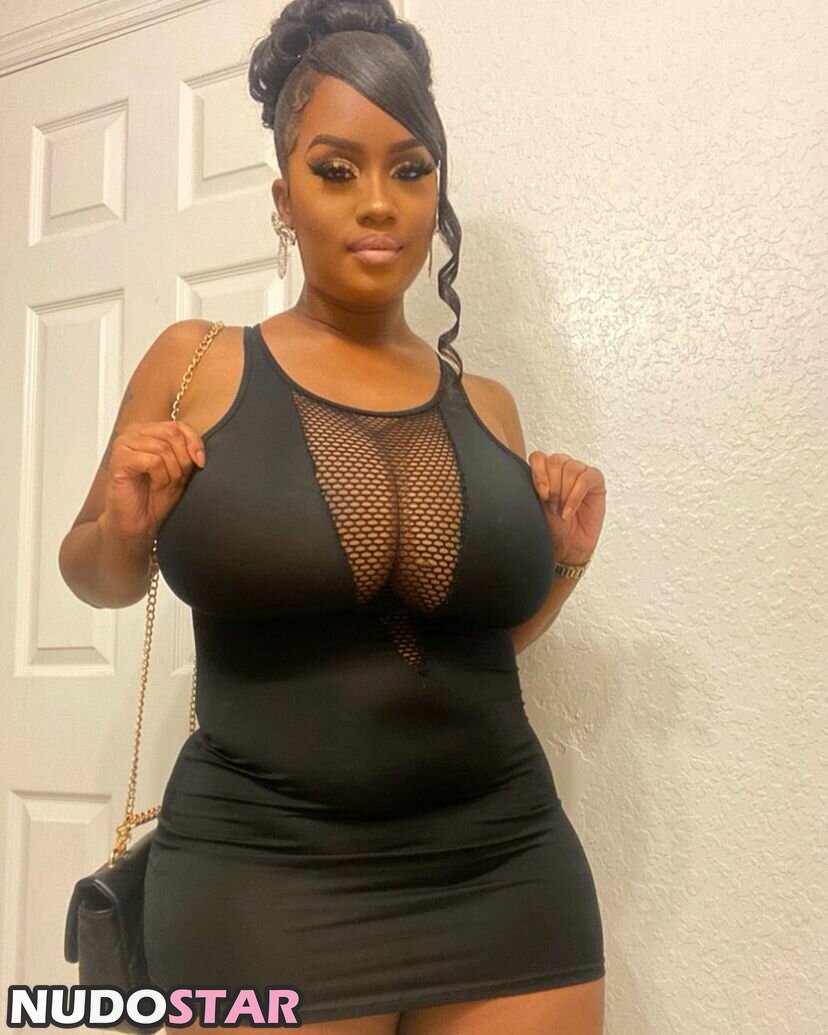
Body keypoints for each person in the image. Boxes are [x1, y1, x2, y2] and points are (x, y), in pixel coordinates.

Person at [58, 1, 609, 1032]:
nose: (378, 202)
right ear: (284, 195)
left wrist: (564, 565)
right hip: (260, 872)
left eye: (411, 167)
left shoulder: (488, 405)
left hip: (506, 863)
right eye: (336, 169)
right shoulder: (197, 363)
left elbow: (468, 647)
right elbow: (93, 573)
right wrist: (127, 525)